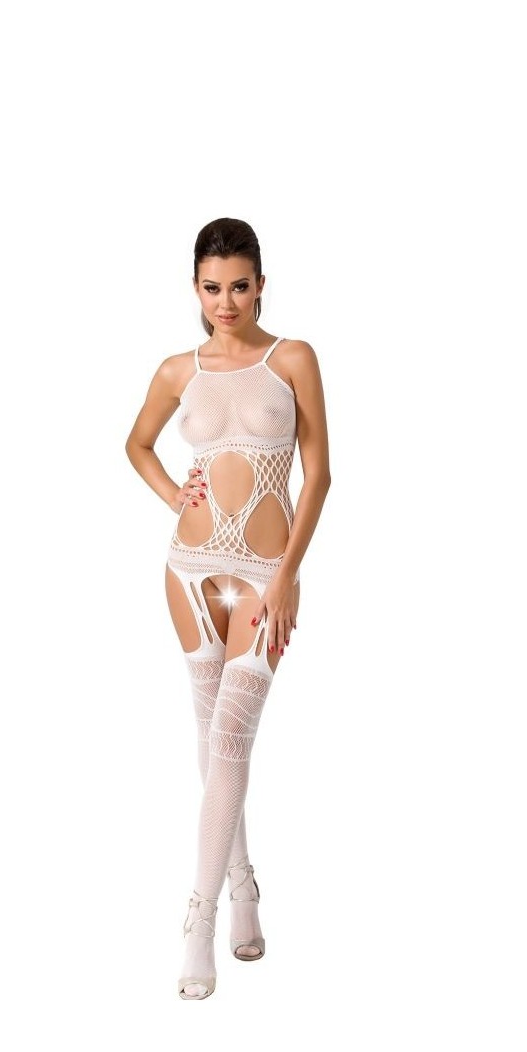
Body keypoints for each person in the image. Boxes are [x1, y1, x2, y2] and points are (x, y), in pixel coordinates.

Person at [124, 218, 332, 1000]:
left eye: (240, 285)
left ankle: (199, 919)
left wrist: (287, 576)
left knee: (231, 738)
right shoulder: (179, 369)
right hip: (190, 571)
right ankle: (242, 887)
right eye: (212, 287)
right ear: (195, 288)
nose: (226, 301)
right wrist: (176, 496)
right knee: (212, 737)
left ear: (261, 284)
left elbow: (320, 473)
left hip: (265, 574)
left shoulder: (293, 359)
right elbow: (137, 444)